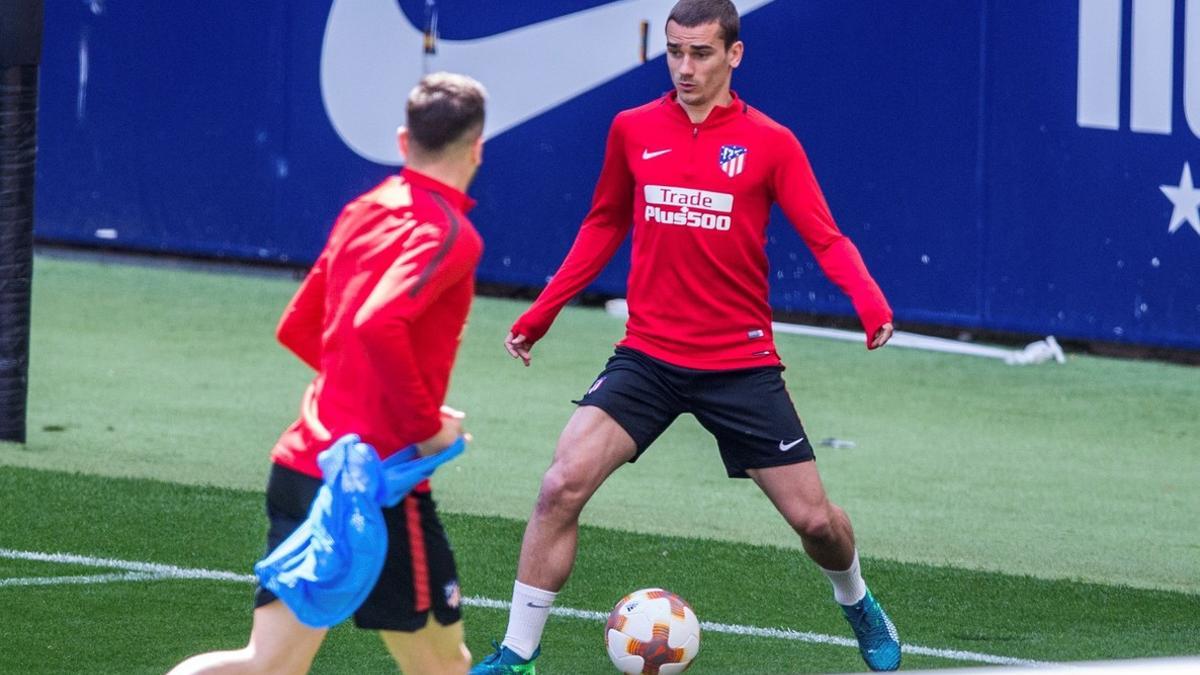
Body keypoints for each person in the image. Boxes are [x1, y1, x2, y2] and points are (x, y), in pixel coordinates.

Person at [471, 1, 901, 672]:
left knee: (816, 522)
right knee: (560, 485)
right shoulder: (632, 129)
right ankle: (517, 652)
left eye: (700, 53)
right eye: (674, 51)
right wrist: (543, 311)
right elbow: (603, 224)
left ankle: (858, 600)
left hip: (740, 363)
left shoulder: (771, 142)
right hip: (647, 355)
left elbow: (824, 234)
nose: (684, 67)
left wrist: (869, 300)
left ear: (734, 54)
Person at [170, 71, 488, 675]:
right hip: (378, 486)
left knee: (265, 664)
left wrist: (371, 394)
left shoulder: (363, 210)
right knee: (445, 668)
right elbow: (376, 324)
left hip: (301, 467)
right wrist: (423, 424)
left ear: (403, 141)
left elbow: (300, 327)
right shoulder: (452, 234)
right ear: (476, 147)